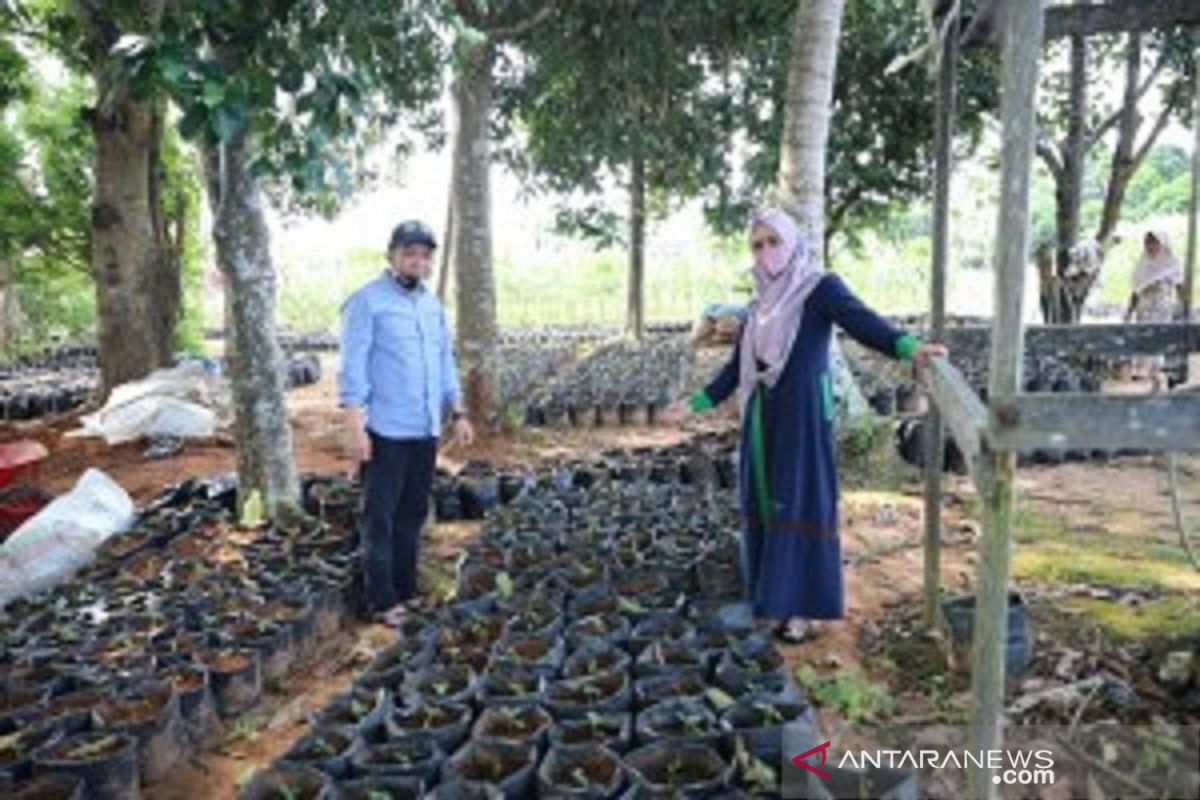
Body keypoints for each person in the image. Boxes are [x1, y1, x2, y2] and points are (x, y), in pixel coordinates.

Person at [667, 208, 945, 643]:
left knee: (799, 503)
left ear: (793, 243)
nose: (766, 252)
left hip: (803, 417)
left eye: (773, 241)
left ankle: (803, 609)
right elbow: (737, 366)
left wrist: (909, 347)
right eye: (757, 245)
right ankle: (772, 598)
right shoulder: (758, 304)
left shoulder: (819, 288)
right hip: (763, 417)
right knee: (766, 500)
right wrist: (697, 402)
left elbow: (862, 321)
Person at [338, 219, 474, 625]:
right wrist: (354, 424)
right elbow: (353, 365)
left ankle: (405, 590)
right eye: (409, 253)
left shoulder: (432, 307)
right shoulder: (367, 302)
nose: (417, 261)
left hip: (425, 428)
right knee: (379, 515)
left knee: (412, 512)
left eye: (424, 255)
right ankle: (381, 601)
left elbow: (444, 363)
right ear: (392, 256)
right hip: (386, 429)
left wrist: (459, 411)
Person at [1124, 230, 1185, 389]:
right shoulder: (1142, 265)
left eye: (1154, 243)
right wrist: (1129, 312)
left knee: (1158, 340)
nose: (1150, 247)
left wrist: (1182, 308)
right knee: (1143, 339)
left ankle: (1156, 378)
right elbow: (1136, 290)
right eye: (1147, 243)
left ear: (1162, 244)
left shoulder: (1172, 264)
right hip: (1144, 309)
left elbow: (1180, 287)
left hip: (1162, 308)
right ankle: (1145, 378)